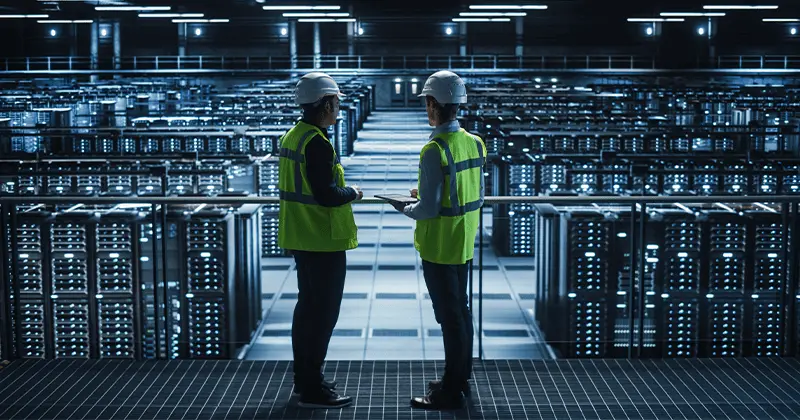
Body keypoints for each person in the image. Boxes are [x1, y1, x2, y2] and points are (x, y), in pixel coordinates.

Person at [391, 70, 486, 410]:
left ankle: (449, 392)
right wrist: (428, 193)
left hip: (439, 245)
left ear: (432, 104)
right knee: (461, 312)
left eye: (426, 103)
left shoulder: (433, 149)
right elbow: (467, 191)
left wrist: (405, 205)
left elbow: (428, 210)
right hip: (464, 240)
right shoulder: (474, 142)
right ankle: (458, 377)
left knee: (449, 318)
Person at [277, 72, 363, 409]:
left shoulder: (293, 136)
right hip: (322, 240)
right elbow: (327, 195)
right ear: (326, 103)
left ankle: (306, 379)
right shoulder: (317, 142)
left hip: (300, 236)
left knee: (307, 312)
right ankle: (312, 387)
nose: (339, 107)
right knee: (323, 315)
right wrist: (353, 192)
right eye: (336, 102)